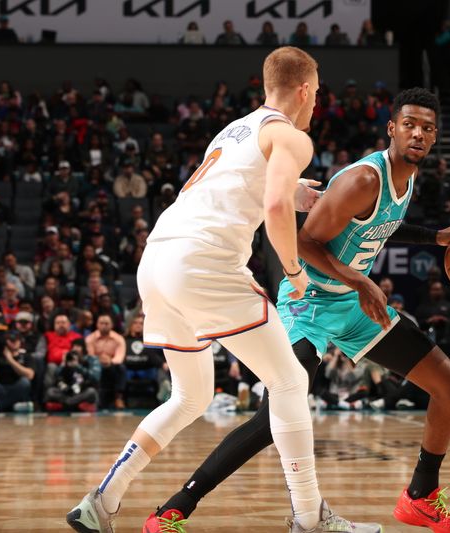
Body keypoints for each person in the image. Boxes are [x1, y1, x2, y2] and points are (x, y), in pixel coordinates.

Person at [67, 47, 377, 533]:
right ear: (303, 91)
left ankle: (102, 501)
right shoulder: (292, 136)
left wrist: (295, 194)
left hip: (157, 259)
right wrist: (294, 272)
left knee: (190, 397)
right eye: (316, 94)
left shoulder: (236, 129)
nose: (316, 104)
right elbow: (273, 209)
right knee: (291, 381)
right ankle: (310, 518)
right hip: (202, 264)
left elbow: (247, 189)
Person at [152, 88, 450, 533]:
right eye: (409, 125)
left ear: (435, 136)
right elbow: (304, 242)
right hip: (308, 303)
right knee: (272, 419)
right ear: (392, 129)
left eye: (426, 128)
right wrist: (360, 280)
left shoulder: (408, 177)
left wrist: (434, 237)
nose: (417, 133)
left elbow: (382, 226)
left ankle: (420, 497)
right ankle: (173, 509)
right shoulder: (364, 178)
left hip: (351, 305)